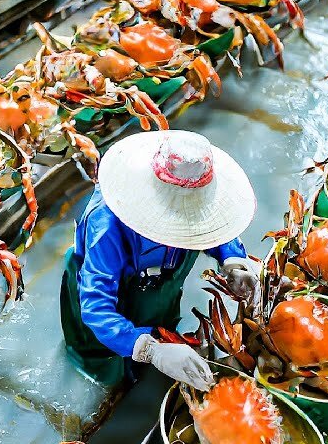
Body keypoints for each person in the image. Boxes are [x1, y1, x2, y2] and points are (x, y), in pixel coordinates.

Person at [59, 130, 259, 391]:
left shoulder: (202, 211)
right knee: (104, 366)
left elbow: (213, 225)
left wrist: (233, 259)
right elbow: (96, 307)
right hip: (104, 300)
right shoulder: (107, 227)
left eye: (194, 213)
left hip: (159, 289)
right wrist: (150, 350)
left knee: (162, 335)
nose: (190, 222)